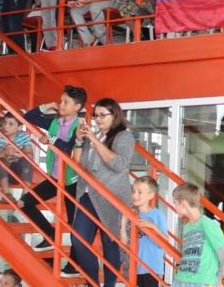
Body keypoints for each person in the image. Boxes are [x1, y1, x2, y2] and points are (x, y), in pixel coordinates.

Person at [18, 84, 86, 272]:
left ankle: (73, 265)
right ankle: (50, 234)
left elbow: (70, 147)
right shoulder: (56, 122)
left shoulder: (80, 126)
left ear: (77, 107)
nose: (61, 104)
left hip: (72, 181)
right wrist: (47, 106)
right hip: (55, 177)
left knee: (74, 225)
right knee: (24, 203)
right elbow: (28, 117)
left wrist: (51, 140)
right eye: (61, 101)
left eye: (66, 102)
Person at [72, 98, 135, 287]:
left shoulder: (124, 136)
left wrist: (94, 141)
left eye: (102, 115)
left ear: (114, 115)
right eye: (96, 115)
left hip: (112, 196)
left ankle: (109, 285)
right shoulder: (94, 135)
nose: (98, 119)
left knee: (111, 244)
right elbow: (77, 165)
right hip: (88, 194)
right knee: (78, 241)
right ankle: (93, 283)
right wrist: (79, 141)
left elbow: (119, 164)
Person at [171, 182, 224, 287]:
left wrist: (218, 278)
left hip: (202, 281)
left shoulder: (208, 224)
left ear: (184, 204)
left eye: (175, 203)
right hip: (180, 279)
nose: (174, 207)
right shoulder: (187, 226)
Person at [120, 176, 167, 287]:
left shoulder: (157, 214)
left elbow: (165, 242)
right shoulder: (131, 214)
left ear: (151, 195)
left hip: (152, 267)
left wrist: (153, 227)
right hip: (133, 267)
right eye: (133, 191)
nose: (135, 195)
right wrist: (124, 220)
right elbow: (123, 243)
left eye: (140, 192)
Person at [0, 112, 34, 201]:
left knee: (27, 162)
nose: (6, 126)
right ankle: (7, 194)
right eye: (4, 123)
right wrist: (5, 152)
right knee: (2, 162)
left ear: (19, 127)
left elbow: (30, 155)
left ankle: (25, 195)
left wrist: (20, 153)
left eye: (11, 124)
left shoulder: (23, 136)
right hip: (2, 171)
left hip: (17, 170)